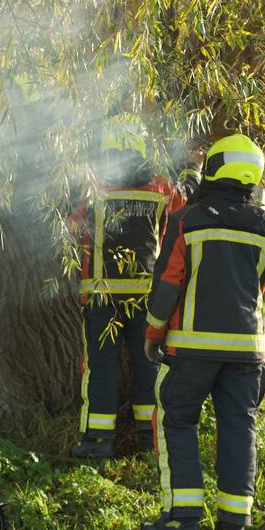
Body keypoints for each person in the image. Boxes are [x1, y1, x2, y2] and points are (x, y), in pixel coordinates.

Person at [139, 133, 265, 530]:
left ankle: (181, 520)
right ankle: (233, 526)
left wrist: (153, 333)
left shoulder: (191, 219)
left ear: (215, 167)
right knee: (239, 427)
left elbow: (167, 283)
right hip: (246, 355)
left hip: (191, 350)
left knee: (175, 421)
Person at [69, 113, 197, 459]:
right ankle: (147, 435)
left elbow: (70, 225)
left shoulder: (93, 188)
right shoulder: (160, 187)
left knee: (101, 366)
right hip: (145, 294)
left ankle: (98, 439)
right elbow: (183, 216)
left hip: (101, 294)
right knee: (147, 364)